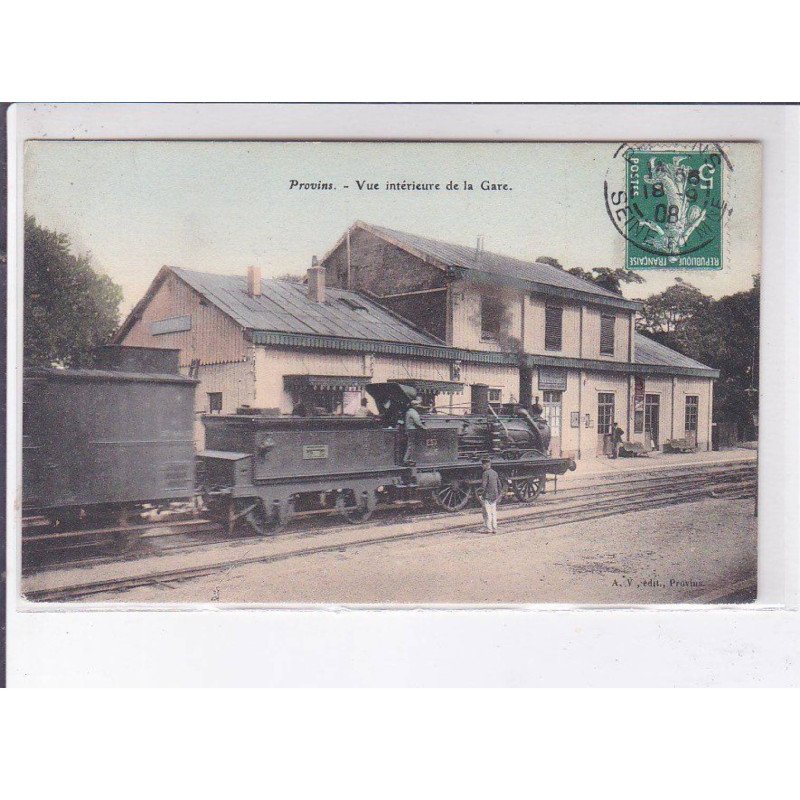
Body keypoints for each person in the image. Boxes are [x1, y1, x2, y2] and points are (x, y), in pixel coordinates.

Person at [480, 458, 501, 534]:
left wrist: (481, 494)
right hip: (494, 496)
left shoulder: (485, 473)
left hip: (487, 496)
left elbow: (483, 485)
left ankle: (488, 529)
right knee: (493, 513)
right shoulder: (495, 473)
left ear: (486, 465)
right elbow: (499, 484)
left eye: (483, 465)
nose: (482, 466)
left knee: (486, 513)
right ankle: (495, 528)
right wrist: (498, 494)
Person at [403, 397, 425, 463]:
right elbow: (417, 422)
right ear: (414, 405)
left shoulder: (409, 411)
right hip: (412, 430)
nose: (419, 406)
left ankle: (408, 459)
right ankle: (407, 459)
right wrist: (423, 427)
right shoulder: (413, 412)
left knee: (410, 444)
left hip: (409, 429)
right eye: (417, 405)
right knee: (411, 445)